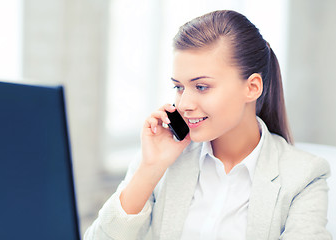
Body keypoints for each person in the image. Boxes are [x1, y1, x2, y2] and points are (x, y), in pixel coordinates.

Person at [84, 10, 331, 240]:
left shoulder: (304, 177)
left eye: (201, 87)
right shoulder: (160, 160)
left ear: (252, 87)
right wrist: (150, 170)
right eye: (179, 87)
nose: (184, 104)